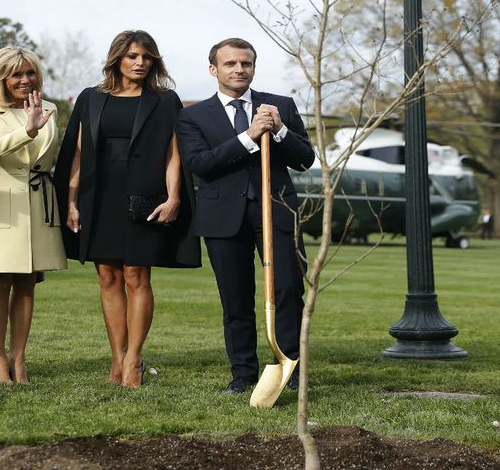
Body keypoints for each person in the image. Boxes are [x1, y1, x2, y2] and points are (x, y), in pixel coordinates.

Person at [56, 31, 201, 389]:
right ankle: (117, 356)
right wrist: (71, 201)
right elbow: (75, 152)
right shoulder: (90, 98)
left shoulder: (165, 101)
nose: (140, 63)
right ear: (117, 58)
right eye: (133, 56)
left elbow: (173, 153)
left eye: (147, 57)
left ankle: (134, 358)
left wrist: (174, 197)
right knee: (107, 276)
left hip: (145, 194)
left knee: (137, 274)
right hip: (98, 195)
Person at [176, 38, 315, 394]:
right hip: (224, 216)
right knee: (235, 298)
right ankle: (243, 375)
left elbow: (304, 160)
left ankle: (291, 368)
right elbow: (200, 164)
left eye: (246, 64)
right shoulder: (193, 115)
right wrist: (249, 136)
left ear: (253, 67)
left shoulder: (279, 105)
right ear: (214, 70)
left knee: (287, 290)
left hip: (277, 211)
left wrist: (280, 130)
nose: (239, 70)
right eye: (230, 64)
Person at [0, 47, 67, 384]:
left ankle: (18, 359)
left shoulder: (49, 109)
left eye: (30, 73)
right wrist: (28, 130)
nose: (25, 80)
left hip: (39, 202)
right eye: (16, 74)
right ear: (0, 78)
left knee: (27, 283)